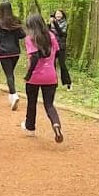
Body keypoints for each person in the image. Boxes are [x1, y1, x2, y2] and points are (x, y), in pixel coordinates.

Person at [22, 14, 64, 143]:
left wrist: (28, 74)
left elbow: (34, 57)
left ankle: (30, 127)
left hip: (34, 77)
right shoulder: (51, 36)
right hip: (50, 76)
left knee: (32, 102)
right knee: (49, 104)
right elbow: (57, 52)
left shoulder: (30, 38)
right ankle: (56, 125)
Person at [0, 0, 26, 110]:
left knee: (9, 74)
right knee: (11, 74)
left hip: (4, 52)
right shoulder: (15, 20)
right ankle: (12, 96)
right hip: (15, 51)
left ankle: (14, 94)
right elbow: (22, 35)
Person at [49, 10, 72, 91]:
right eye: (56, 14)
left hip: (61, 47)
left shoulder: (65, 23)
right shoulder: (51, 23)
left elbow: (61, 33)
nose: (58, 15)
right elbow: (48, 32)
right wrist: (49, 24)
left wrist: (54, 23)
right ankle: (53, 83)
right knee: (52, 64)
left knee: (62, 65)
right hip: (52, 46)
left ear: (62, 15)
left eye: (59, 14)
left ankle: (68, 82)